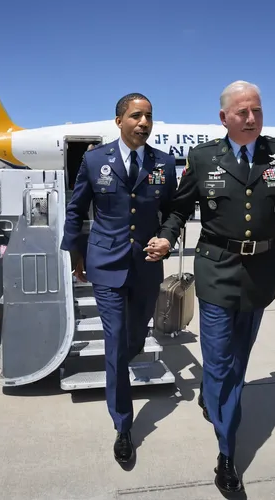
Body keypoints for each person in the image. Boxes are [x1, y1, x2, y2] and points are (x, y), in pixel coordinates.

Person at [144, 81, 275, 493]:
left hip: (260, 273)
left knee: (238, 359)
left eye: (256, 110)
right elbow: (180, 206)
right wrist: (167, 236)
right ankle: (227, 455)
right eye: (242, 113)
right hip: (216, 271)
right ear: (224, 118)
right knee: (220, 363)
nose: (251, 118)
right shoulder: (203, 158)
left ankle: (212, 396)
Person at [60, 93, 177, 464]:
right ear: (119, 121)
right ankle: (123, 425)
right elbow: (76, 207)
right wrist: (75, 251)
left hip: (145, 265)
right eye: (136, 116)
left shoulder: (164, 162)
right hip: (106, 263)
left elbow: (173, 209)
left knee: (134, 337)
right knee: (114, 342)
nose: (144, 122)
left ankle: (123, 359)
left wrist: (168, 236)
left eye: (149, 117)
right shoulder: (95, 160)